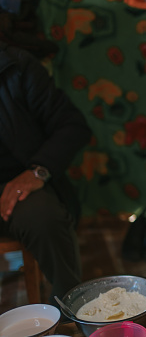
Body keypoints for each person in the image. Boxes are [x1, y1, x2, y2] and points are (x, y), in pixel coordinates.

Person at [0, 40, 91, 303]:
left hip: (18, 183)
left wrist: (37, 172)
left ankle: (70, 310)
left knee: (44, 218)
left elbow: (73, 126)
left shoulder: (17, 67)